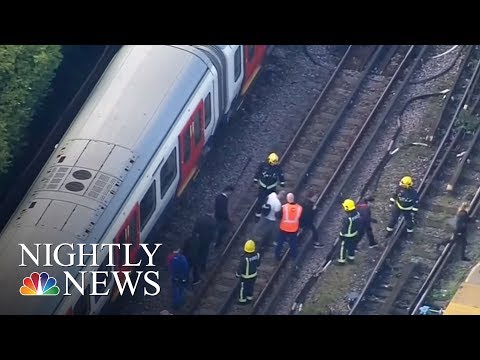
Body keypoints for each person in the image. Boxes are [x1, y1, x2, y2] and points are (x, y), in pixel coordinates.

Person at [253, 153, 285, 220]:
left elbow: (280, 175)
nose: (276, 163)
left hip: (272, 187)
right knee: (260, 201)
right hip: (263, 186)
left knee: (271, 201)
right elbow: (258, 172)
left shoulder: (278, 167)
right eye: (274, 162)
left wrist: (282, 182)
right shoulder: (263, 165)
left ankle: (268, 212)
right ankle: (257, 215)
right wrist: (255, 179)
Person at [275, 193, 303, 261]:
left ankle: (277, 255)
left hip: (283, 228)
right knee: (293, 243)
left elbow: (278, 216)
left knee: (280, 242)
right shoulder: (299, 208)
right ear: (294, 199)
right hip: (293, 229)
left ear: (287, 199)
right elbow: (301, 219)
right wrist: (300, 226)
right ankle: (294, 256)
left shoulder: (284, 207)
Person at [236, 240, 261, 304]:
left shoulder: (244, 258)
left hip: (245, 277)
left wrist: (238, 274)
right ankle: (249, 298)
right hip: (254, 275)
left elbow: (241, 268)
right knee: (251, 287)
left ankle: (242, 301)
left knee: (243, 288)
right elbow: (258, 264)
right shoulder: (257, 255)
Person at [337, 199, 362, 264]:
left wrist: (341, 235)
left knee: (343, 247)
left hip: (347, 236)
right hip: (354, 234)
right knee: (352, 247)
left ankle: (341, 261)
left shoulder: (348, 219)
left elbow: (344, 229)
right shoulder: (357, 214)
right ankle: (351, 258)